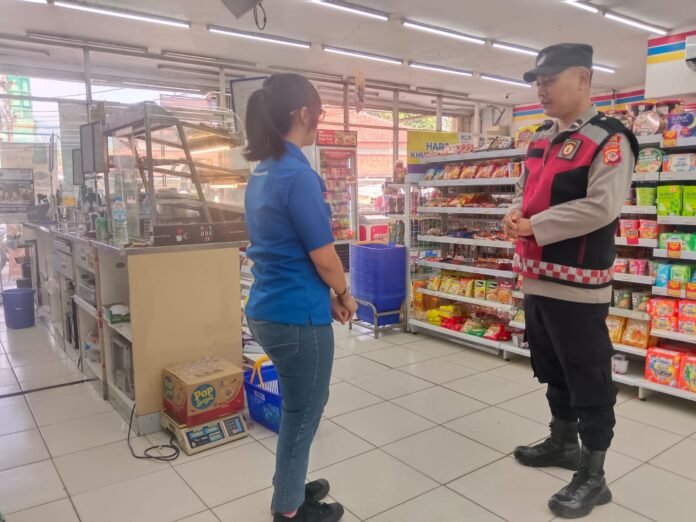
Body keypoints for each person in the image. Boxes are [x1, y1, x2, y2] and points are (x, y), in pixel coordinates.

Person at [503, 44, 638, 519]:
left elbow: (602, 206)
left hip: (578, 284)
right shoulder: (541, 137)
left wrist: (535, 226)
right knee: (552, 367)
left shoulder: (610, 138)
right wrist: (514, 212)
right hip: (536, 277)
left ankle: (594, 475)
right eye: (537, 82)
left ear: (582, 78)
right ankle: (563, 442)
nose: (541, 90)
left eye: (550, 80)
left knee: (588, 375)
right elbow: (524, 189)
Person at [244, 73, 357, 522]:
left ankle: (289, 486)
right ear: (303, 113)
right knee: (303, 411)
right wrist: (343, 293)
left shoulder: (263, 171)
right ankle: (289, 509)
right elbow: (325, 258)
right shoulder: (297, 175)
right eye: (320, 113)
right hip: (296, 317)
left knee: (299, 406)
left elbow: (285, 249)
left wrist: (323, 295)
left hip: (268, 306)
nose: (319, 121)